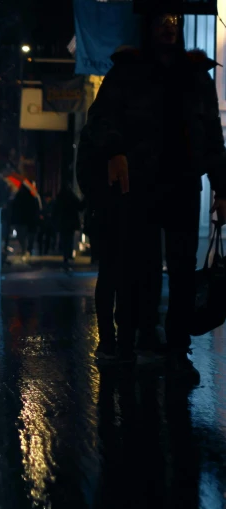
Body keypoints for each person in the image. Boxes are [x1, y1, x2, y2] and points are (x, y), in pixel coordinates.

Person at [84, 11, 226, 382]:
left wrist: (222, 188)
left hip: (180, 183)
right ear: (149, 26)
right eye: (162, 18)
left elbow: (212, 135)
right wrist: (116, 151)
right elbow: (101, 119)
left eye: (175, 19)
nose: (169, 25)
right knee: (138, 268)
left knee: (180, 272)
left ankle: (176, 349)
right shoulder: (129, 70)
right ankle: (133, 341)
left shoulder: (196, 75)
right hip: (140, 183)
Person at [11, 178, 41, 260]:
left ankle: (24, 249)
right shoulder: (32, 198)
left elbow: (14, 209)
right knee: (30, 236)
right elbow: (36, 210)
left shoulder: (17, 197)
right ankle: (28, 249)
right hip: (30, 221)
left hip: (20, 220)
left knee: (22, 236)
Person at [54, 182, 83, 268]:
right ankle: (68, 254)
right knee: (69, 239)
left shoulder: (60, 197)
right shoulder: (71, 197)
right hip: (70, 222)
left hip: (63, 222)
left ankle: (66, 255)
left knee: (65, 238)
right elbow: (80, 206)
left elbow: (56, 211)